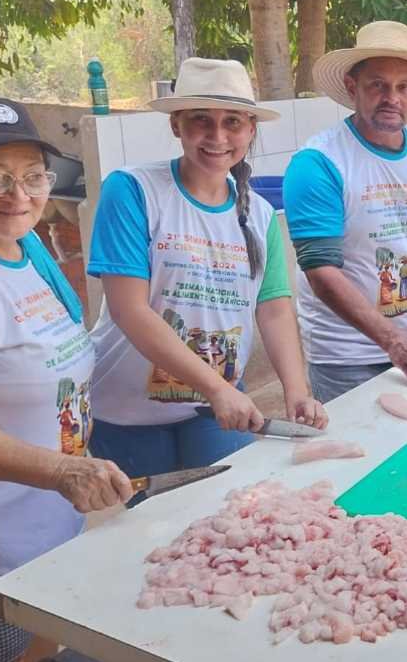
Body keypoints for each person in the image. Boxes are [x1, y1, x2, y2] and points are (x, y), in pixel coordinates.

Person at [0, 94, 132, 662]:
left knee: (37, 654)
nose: (18, 196)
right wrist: (58, 468)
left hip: (51, 514)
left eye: (31, 176)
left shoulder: (28, 249)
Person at [87, 58, 326, 482]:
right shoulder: (133, 191)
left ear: (251, 129)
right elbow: (130, 310)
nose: (218, 137)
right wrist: (217, 388)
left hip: (216, 409)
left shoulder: (261, 215)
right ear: (176, 125)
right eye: (201, 120)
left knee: (228, 510)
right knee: (150, 530)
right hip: (129, 410)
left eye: (233, 122)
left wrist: (297, 390)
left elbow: (273, 308)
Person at [284, 21, 407, 400]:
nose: (392, 98)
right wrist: (391, 339)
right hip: (345, 358)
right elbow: (321, 271)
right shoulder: (318, 162)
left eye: (404, 87)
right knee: (358, 456)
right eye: (377, 85)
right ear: (353, 88)